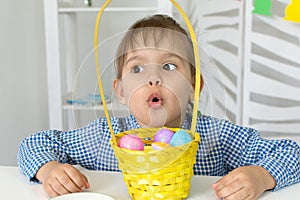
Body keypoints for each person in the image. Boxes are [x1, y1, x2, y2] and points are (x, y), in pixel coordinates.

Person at [18, 14, 300, 199]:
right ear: (121, 91)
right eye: (138, 68)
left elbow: (292, 153)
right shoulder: (104, 137)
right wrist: (50, 169)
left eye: (168, 66)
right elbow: (34, 143)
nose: (153, 78)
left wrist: (262, 176)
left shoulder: (217, 137)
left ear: (194, 86)